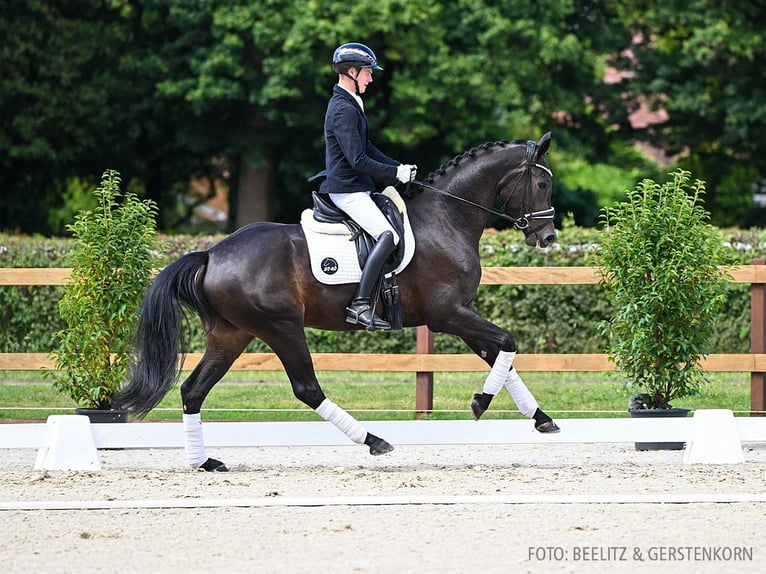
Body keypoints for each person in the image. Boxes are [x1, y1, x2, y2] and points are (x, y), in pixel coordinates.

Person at [319, 42, 417, 331]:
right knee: (388, 235)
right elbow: (358, 159)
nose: (370, 78)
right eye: (367, 73)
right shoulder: (341, 109)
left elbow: (368, 147)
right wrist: (394, 173)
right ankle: (360, 304)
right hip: (347, 189)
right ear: (351, 71)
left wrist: (399, 168)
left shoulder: (352, 102)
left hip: (356, 186)